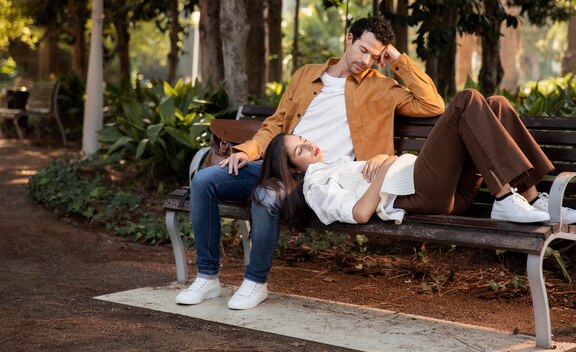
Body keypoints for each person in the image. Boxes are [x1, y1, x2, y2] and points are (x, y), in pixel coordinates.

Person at [175, 17, 446, 310]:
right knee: (204, 180)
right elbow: (276, 124)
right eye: (364, 50)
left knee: (266, 196)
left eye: (376, 55)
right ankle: (207, 278)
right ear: (349, 39)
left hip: (317, 176)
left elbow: (433, 105)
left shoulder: (382, 87)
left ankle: (255, 283)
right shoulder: (306, 75)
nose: (367, 60)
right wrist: (248, 150)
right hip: (276, 162)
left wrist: (396, 58)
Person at [258, 89, 576, 229]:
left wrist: (385, 158)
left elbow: (369, 177)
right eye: (300, 151)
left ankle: (531, 197)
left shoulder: (333, 163)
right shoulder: (315, 184)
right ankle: (503, 197)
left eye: (303, 139)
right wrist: (386, 166)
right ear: (292, 168)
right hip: (422, 192)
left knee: (496, 103)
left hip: (446, 190)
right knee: (466, 100)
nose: (309, 145)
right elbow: (358, 213)